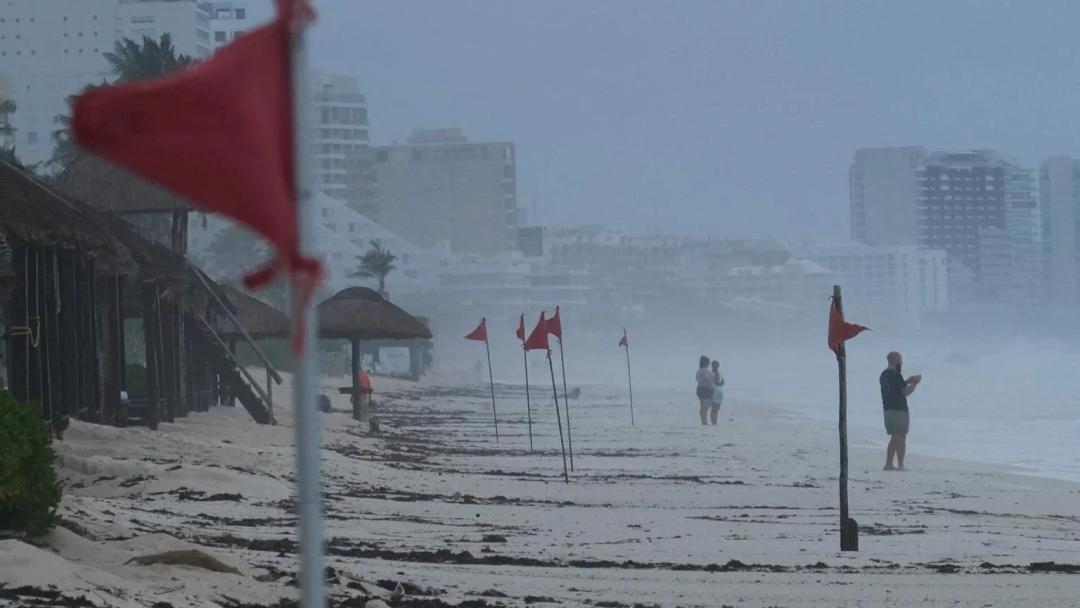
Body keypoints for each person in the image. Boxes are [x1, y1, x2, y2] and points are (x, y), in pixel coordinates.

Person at [880, 351, 921, 471]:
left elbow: (896, 388)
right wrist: (915, 383)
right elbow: (906, 392)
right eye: (900, 361)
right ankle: (891, 464)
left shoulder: (884, 375)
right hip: (898, 410)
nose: (901, 364)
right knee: (898, 437)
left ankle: (897, 464)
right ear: (896, 361)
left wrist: (908, 381)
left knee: (898, 436)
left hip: (888, 410)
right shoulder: (895, 375)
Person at [695, 355, 714, 425]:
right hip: (705, 389)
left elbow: (697, 379)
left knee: (703, 406)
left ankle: (703, 421)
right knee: (705, 407)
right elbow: (706, 378)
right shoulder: (705, 370)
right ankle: (704, 421)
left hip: (700, 388)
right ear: (706, 363)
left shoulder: (699, 370)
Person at [709, 360, 725, 425]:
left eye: (717, 365)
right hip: (713, 391)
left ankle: (715, 422)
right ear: (712, 366)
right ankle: (713, 422)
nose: (716, 366)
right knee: (713, 408)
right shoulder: (710, 373)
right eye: (715, 365)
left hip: (719, 391)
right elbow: (711, 382)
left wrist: (720, 383)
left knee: (717, 408)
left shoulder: (720, 373)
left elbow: (722, 382)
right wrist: (718, 383)